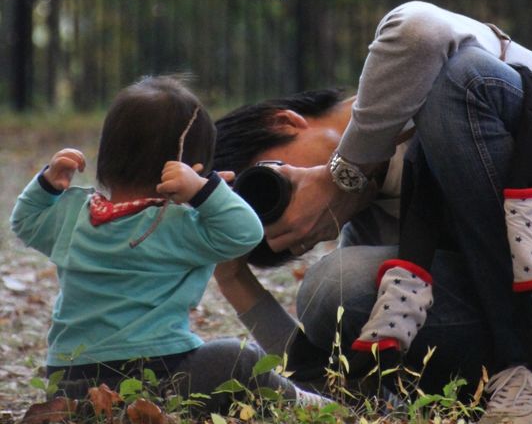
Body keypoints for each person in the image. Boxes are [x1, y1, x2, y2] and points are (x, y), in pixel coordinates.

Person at [213, 1, 532, 423]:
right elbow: (335, 387)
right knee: (337, 286)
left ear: (284, 122)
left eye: (265, 183)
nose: (289, 205)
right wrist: (232, 275)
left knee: (457, 79)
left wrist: (337, 177)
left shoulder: (435, 62)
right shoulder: (371, 226)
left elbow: (420, 30)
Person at [10, 75, 327, 416]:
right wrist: (207, 192)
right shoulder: (177, 225)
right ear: (194, 167)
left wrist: (47, 183)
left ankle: (89, 412)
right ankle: (302, 403)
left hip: (69, 380)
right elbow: (246, 233)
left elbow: (24, 223)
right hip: (159, 380)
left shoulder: (73, 215)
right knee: (239, 358)